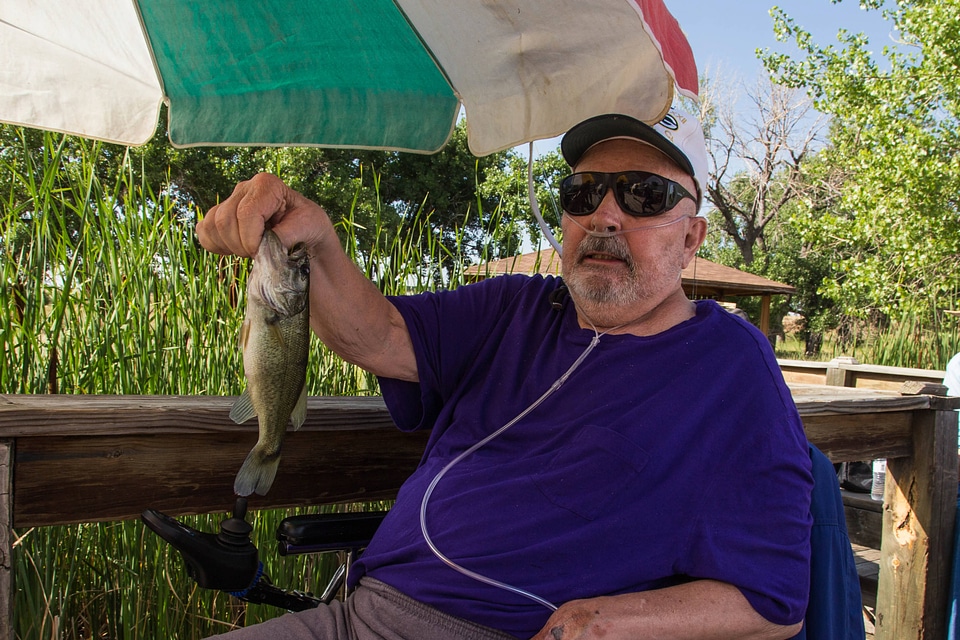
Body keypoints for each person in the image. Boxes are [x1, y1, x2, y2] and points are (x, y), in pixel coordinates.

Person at [197, 106, 814, 640]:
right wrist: (318, 238)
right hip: (364, 617)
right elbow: (378, 336)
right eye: (582, 193)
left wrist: (607, 624)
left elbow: (774, 602)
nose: (604, 216)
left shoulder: (729, 365)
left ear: (690, 239)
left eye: (643, 195)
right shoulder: (515, 305)